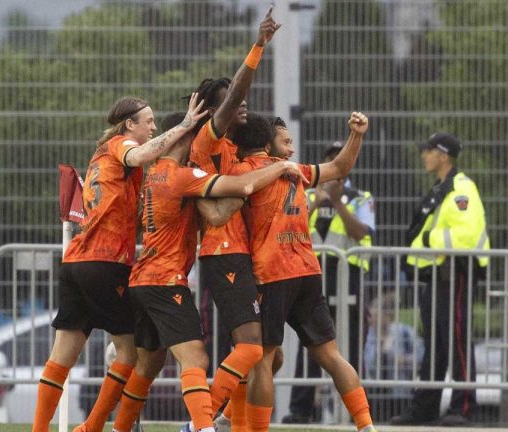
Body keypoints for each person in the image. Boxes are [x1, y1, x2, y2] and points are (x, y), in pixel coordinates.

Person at [109, 113, 307, 432]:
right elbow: (222, 209)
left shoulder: (154, 175)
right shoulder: (182, 175)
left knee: (149, 363)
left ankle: (119, 428)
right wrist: (253, 185)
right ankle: (202, 426)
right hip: (169, 279)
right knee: (205, 359)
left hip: (145, 277)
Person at [32, 94, 206, 432]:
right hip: (105, 262)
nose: (154, 127)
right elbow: (140, 153)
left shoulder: (103, 156)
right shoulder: (121, 146)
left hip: (76, 262)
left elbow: (131, 213)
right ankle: (92, 427)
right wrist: (185, 125)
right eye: (148, 121)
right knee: (128, 355)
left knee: (60, 359)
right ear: (129, 124)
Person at [231, 112, 377, 432]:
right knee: (330, 355)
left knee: (263, 361)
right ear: (267, 144)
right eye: (286, 142)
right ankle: (366, 425)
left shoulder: (248, 172)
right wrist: (357, 135)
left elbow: (338, 168)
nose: (292, 149)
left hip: (272, 274)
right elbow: (340, 168)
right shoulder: (294, 172)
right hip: (308, 273)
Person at [181, 6, 279, 432]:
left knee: (249, 350)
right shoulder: (209, 139)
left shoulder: (237, 154)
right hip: (224, 255)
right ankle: (201, 424)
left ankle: (234, 427)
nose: (242, 105)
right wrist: (258, 46)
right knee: (253, 350)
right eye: (232, 102)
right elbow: (231, 198)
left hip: (237, 257)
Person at [390, 132, 490, 427]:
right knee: (433, 344)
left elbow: (465, 235)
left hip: (455, 274)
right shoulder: (440, 189)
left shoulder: (461, 189)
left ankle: (463, 407)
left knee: (457, 341)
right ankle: (424, 408)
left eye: (429, 151)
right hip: (436, 277)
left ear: (443, 155)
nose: (424, 155)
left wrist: (426, 240)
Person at [282, 139, 376, 424]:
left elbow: (362, 232)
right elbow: (291, 227)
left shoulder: (361, 197)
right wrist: (319, 199)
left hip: (349, 276)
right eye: (331, 158)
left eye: (340, 159)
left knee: (351, 344)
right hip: (313, 274)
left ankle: (354, 412)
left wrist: (336, 202)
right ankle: (301, 410)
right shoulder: (305, 195)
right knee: (310, 342)